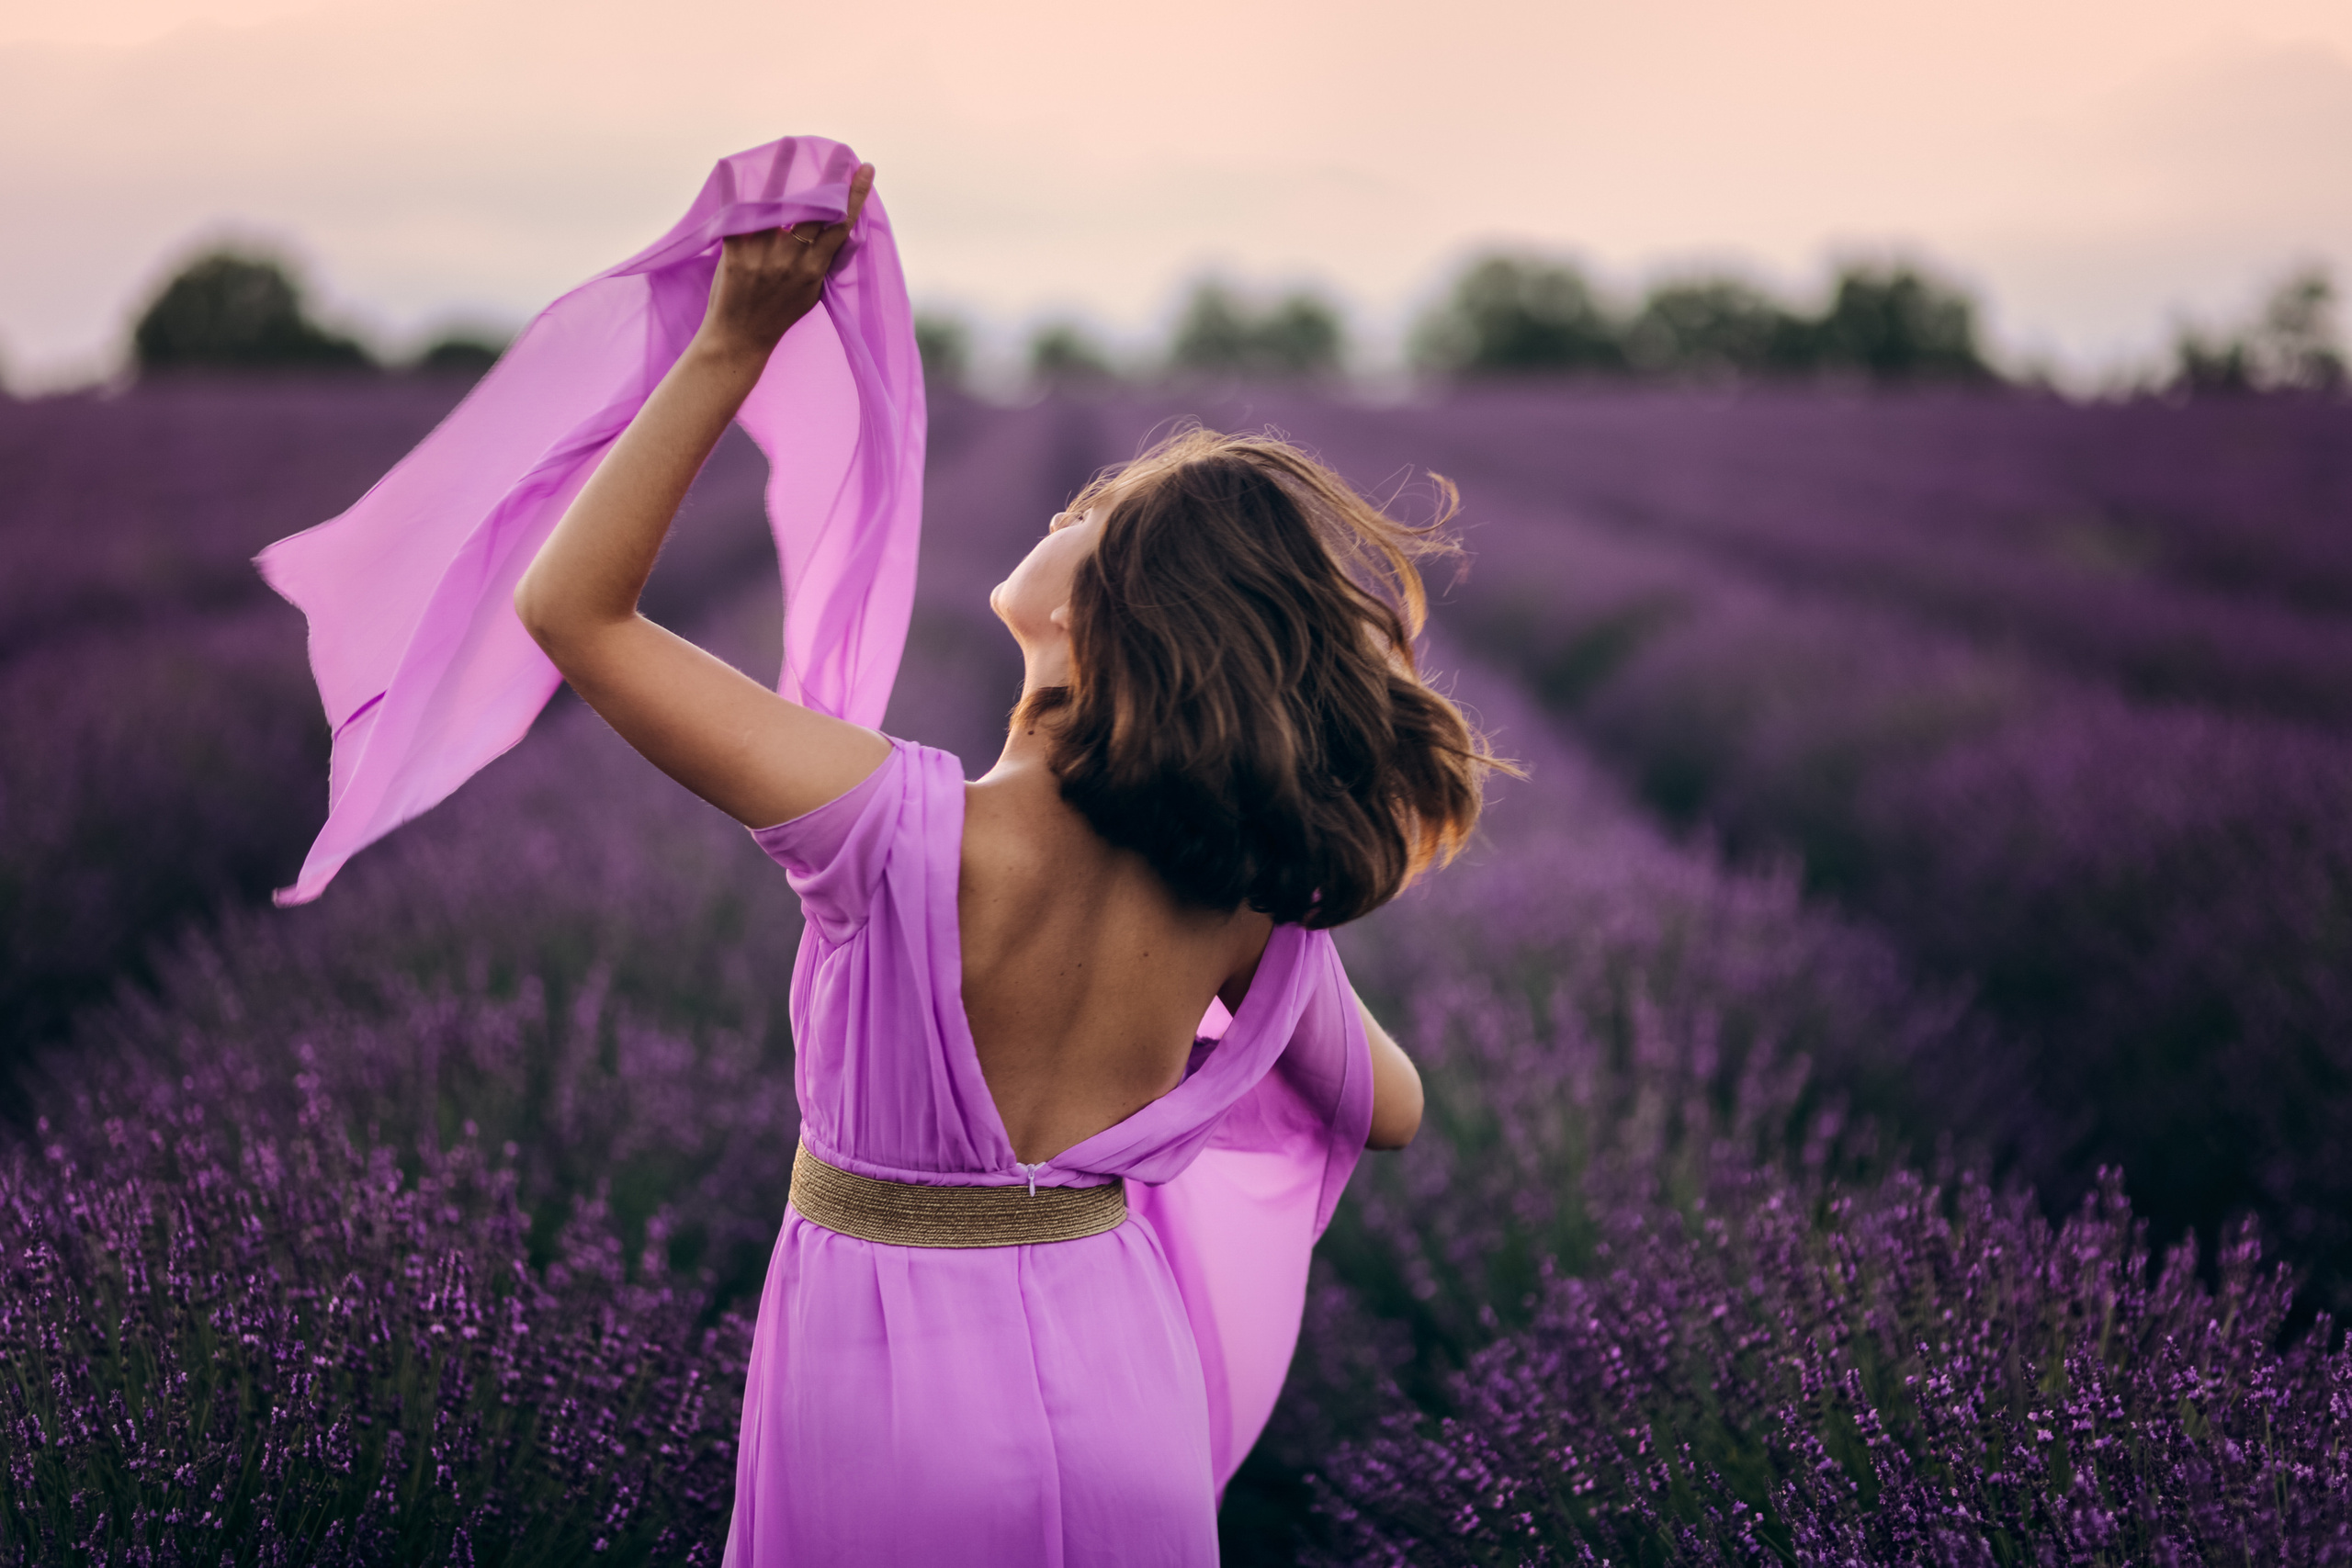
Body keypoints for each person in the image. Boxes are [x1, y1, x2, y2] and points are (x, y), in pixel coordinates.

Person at [512, 163, 1499, 1566]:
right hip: (1125, 1391)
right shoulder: (1242, 903)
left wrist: (733, 342)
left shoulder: (886, 831)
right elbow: (1387, 1110)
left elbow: (573, 610)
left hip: (890, 1410)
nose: (1066, 508)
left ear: (1113, 610)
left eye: (1095, 510)